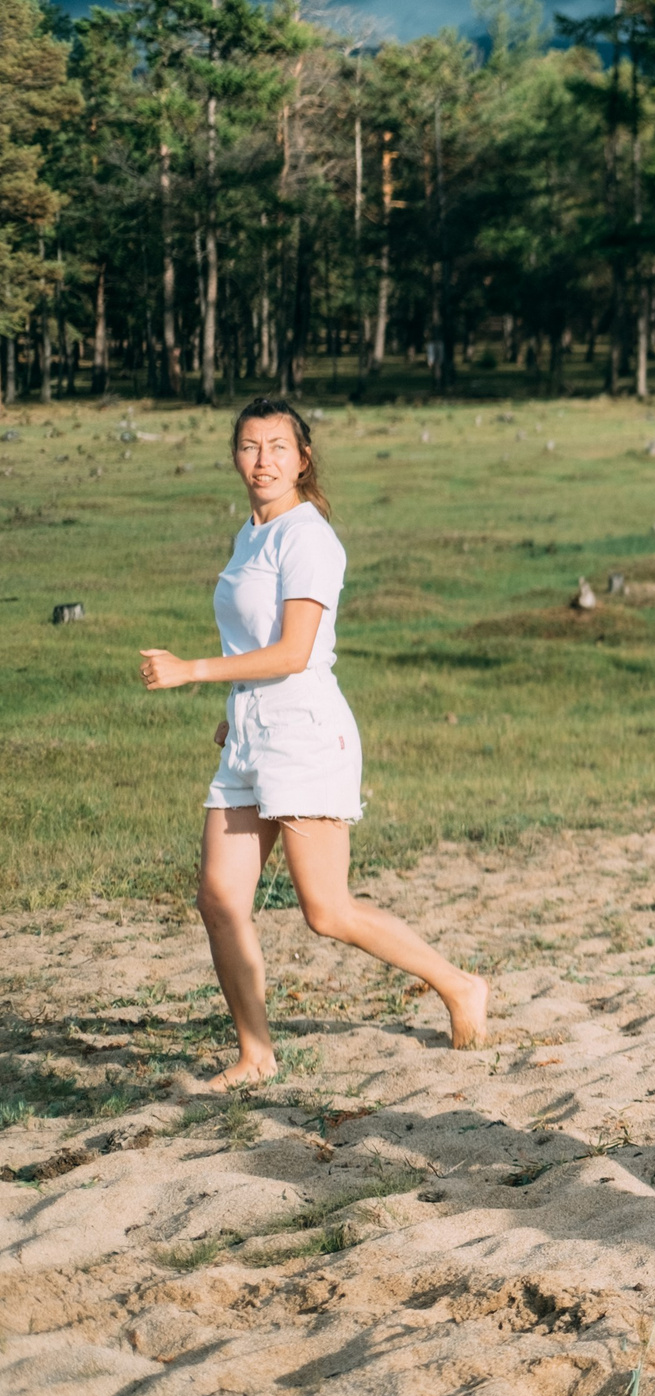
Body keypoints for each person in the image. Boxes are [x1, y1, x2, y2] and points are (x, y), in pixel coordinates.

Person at [140, 398, 487, 1089]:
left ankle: (459, 984)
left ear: (302, 460)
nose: (262, 460)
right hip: (250, 737)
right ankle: (255, 1055)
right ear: (235, 457)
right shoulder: (251, 534)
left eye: (277, 447)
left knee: (327, 910)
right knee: (219, 899)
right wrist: (233, 710)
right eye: (249, 446)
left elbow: (294, 652)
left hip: (303, 736)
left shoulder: (307, 538)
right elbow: (254, 642)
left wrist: (190, 670)